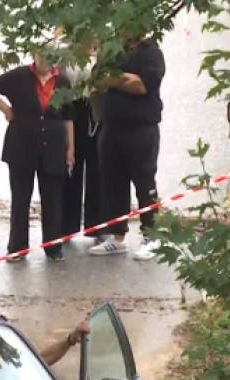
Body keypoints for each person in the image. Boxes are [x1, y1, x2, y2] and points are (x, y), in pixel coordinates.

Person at [0, 50, 75, 263]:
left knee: (52, 198)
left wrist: (71, 148)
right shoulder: (18, 76)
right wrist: (6, 109)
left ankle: (53, 247)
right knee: (21, 198)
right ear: (34, 55)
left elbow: (69, 117)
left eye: (49, 56)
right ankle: (17, 248)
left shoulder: (63, 81)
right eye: (41, 55)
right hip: (21, 145)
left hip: (53, 145)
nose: (45, 60)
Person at [88, 32, 165, 260]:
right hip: (111, 126)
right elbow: (97, 78)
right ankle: (116, 236)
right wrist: (123, 78)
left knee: (144, 182)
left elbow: (142, 85)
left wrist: (113, 79)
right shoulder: (114, 51)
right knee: (113, 183)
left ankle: (152, 236)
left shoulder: (152, 54)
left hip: (142, 127)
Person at [61, 39, 102, 242]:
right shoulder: (65, 57)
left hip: (94, 113)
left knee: (96, 171)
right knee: (71, 169)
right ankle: (67, 227)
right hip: (73, 110)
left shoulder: (102, 57)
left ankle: (96, 227)